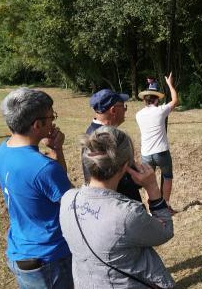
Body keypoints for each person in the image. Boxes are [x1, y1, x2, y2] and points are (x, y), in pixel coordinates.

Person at [60, 126, 175, 288]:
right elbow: (165, 231)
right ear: (125, 166)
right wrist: (152, 188)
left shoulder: (67, 199)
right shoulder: (127, 214)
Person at [0, 88, 73, 288]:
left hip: (21, 251)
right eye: (51, 116)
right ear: (37, 124)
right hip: (50, 258)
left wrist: (56, 149)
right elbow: (72, 203)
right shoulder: (43, 168)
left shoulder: (3, 149)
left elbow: (51, 187)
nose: (53, 121)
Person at [84, 89, 142, 202]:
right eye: (124, 106)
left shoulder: (93, 132)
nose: (125, 110)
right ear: (114, 110)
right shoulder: (106, 138)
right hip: (122, 205)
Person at [136, 73, 178, 211]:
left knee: (149, 181)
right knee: (167, 177)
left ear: (145, 100)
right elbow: (175, 100)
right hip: (161, 151)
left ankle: (153, 208)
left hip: (146, 153)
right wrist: (170, 84)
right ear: (156, 100)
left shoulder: (138, 115)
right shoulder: (160, 111)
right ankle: (165, 205)